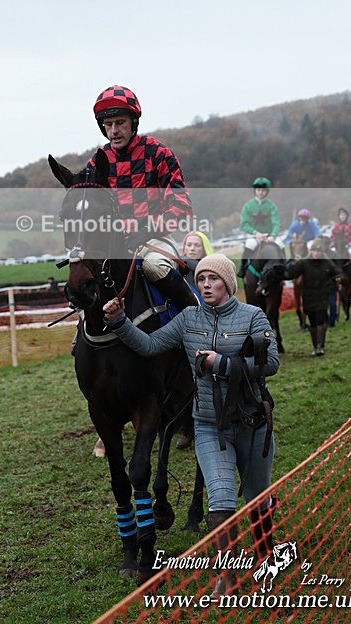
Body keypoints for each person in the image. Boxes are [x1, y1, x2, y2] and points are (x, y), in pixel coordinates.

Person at [103, 254, 279, 594]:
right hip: (211, 426)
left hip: (253, 422)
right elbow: (151, 345)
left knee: (258, 497)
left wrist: (222, 364)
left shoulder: (253, 315)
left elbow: (270, 363)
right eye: (201, 280)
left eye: (213, 279)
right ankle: (227, 576)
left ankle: (264, 554)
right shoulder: (188, 319)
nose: (207, 285)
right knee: (221, 498)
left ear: (227, 282)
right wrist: (120, 321)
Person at [88, 86, 198, 310]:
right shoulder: (97, 162)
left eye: (120, 123)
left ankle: (197, 314)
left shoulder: (158, 153)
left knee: (154, 267)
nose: (114, 131)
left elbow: (181, 206)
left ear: (133, 123)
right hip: (115, 244)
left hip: (154, 239)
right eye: (108, 125)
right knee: (85, 280)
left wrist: (149, 227)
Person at [175, 230, 213, 450]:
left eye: (195, 245)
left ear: (204, 248)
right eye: (188, 245)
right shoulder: (177, 270)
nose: (191, 249)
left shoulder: (209, 271)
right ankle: (186, 427)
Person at [284, 238, 341, 356]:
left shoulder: (327, 262)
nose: (316, 253)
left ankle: (321, 346)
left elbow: (337, 272)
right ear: (311, 251)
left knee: (321, 320)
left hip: (322, 296)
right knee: (313, 322)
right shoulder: (304, 263)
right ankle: (315, 346)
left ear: (322, 252)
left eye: (319, 251)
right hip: (308, 297)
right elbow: (291, 273)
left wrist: (338, 278)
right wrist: (280, 272)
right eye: (314, 251)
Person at [237, 178, 284, 278]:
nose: (260, 193)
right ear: (255, 191)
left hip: (269, 235)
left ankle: (284, 270)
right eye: (258, 190)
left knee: (281, 245)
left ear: (267, 192)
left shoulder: (272, 206)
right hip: (254, 235)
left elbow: (276, 223)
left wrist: (273, 236)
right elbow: (244, 224)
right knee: (249, 245)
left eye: (263, 190)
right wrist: (256, 233)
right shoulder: (248, 206)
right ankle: (243, 268)